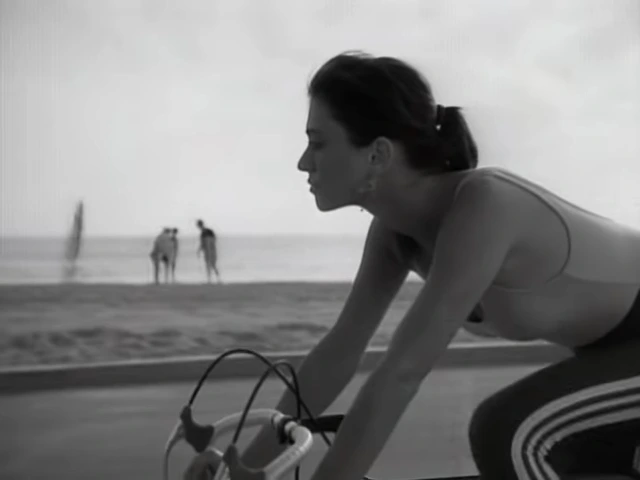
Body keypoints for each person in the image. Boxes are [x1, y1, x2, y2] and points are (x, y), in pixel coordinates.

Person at [185, 51, 640, 479]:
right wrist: (238, 469)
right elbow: (339, 353)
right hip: (606, 353)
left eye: (318, 143)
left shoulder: (487, 206)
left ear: (377, 154)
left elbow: (402, 371)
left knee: (509, 432)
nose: (304, 162)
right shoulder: (394, 233)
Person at [196, 219, 221, 284]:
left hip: (210, 250)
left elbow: (204, 243)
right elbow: (204, 243)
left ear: (199, 225)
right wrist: (199, 250)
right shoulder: (207, 232)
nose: (199, 227)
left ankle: (215, 278)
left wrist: (199, 250)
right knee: (210, 265)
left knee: (211, 265)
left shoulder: (207, 232)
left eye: (198, 225)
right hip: (209, 250)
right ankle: (211, 279)